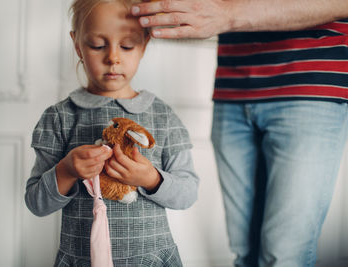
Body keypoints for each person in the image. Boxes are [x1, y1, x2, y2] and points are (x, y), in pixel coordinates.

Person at [131, 0, 348, 266]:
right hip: (232, 87)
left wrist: (229, 14)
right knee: (244, 253)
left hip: (310, 86)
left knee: (286, 255)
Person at [24, 0, 199, 266]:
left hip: (151, 259)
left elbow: (187, 193)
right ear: (77, 45)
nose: (113, 58)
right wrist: (67, 170)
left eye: (127, 46)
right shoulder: (59, 117)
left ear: (144, 45)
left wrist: (150, 178)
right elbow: (37, 203)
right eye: (97, 45)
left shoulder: (164, 116)